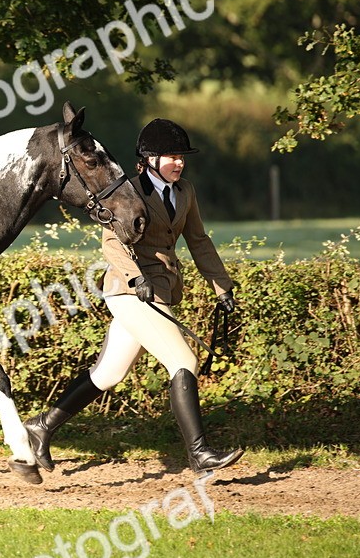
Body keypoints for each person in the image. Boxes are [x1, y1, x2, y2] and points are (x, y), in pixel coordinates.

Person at [24, 118, 243, 475]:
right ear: (150, 159)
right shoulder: (131, 191)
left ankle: (42, 426)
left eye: (182, 157)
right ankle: (200, 455)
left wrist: (223, 287)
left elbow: (199, 241)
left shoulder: (185, 191)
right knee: (183, 361)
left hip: (162, 291)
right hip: (131, 293)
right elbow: (112, 242)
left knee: (108, 374)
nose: (180, 163)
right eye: (173, 156)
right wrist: (135, 277)